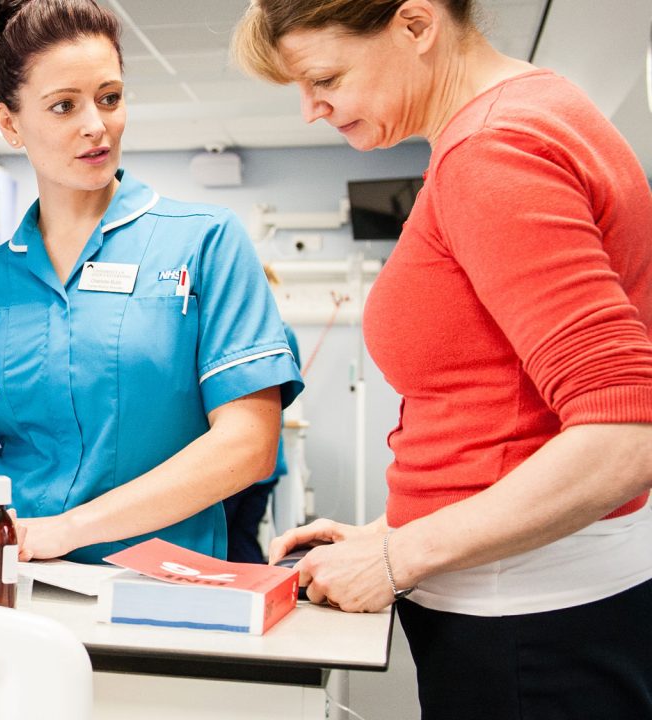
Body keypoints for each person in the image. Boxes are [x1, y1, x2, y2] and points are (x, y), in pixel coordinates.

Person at [234, 1, 652, 717]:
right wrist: (393, 528)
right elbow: (503, 405)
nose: (310, 109)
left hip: (527, 620)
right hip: (536, 600)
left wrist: (399, 556)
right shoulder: (533, 112)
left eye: (325, 78)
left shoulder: (493, 151)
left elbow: (625, 435)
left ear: (416, 26)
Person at [0, 0, 303, 564]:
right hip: (14, 584)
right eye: (64, 106)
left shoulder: (204, 242)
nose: (96, 125)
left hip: (162, 586)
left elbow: (249, 443)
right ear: (10, 124)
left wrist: (66, 530)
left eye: (109, 98)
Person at [222, 266, 301, 564]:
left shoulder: (230, 335)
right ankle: (255, 587)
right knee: (243, 538)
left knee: (225, 542)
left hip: (235, 460)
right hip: (265, 462)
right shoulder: (284, 332)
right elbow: (289, 389)